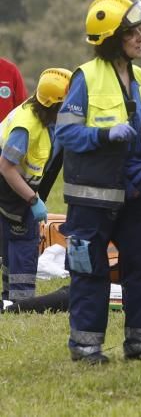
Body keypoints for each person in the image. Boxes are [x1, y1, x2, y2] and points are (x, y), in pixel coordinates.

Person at [56, 0, 141, 364]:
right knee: (90, 270)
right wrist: (103, 136)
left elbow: (137, 130)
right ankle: (87, 348)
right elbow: (65, 134)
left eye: (140, 30)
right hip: (92, 197)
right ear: (111, 39)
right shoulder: (85, 77)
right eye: (132, 32)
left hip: (135, 190)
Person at [0, 68, 71, 303]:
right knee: (23, 239)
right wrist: (32, 199)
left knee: (12, 239)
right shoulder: (26, 127)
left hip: (14, 187)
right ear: (54, 105)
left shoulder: (39, 113)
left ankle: (10, 297)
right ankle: (21, 301)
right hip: (10, 188)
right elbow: (7, 167)